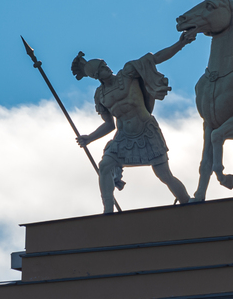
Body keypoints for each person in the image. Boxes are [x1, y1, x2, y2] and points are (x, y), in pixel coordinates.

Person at [72, 31, 196, 214]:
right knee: (105, 165)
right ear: (97, 75)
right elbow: (109, 125)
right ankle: (108, 211)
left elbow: (155, 59)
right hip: (123, 137)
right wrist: (89, 138)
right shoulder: (100, 95)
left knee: (164, 175)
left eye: (105, 64)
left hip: (146, 131)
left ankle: (189, 203)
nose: (107, 68)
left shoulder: (128, 73)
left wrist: (181, 44)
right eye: (102, 68)